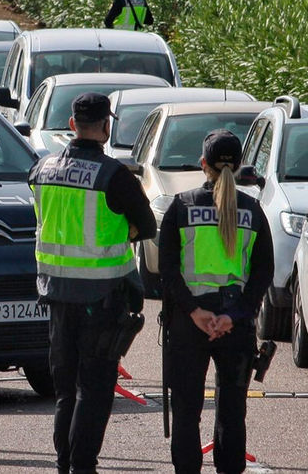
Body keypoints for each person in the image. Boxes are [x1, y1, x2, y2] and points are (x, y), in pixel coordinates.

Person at [29, 92, 156, 474]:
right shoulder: (114, 176)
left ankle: (64, 464)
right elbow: (147, 226)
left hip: (56, 294)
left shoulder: (42, 169)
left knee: (66, 390)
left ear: (71, 126)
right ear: (106, 126)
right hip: (102, 296)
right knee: (95, 389)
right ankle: (84, 466)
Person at [158, 130, 273, 474]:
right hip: (234, 324)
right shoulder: (253, 210)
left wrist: (194, 312)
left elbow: (166, 271)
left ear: (203, 164)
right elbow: (263, 272)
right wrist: (233, 316)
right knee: (232, 411)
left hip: (188, 321)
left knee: (186, 408)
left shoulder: (180, 207)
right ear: (238, 167)